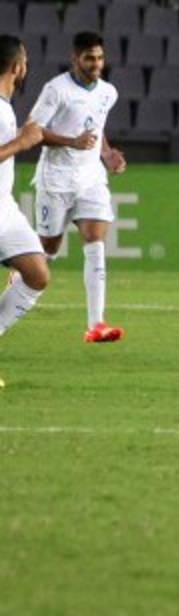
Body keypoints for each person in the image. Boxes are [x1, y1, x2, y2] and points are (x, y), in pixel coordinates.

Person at [26, 32, 127, 343]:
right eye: (89, 58)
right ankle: (22, 274)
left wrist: (106, 154)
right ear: (75, 59)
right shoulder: (56, 90)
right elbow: (33, 130)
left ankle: (96, 324)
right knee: (48, 249)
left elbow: (97, 126)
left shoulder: (108, 92)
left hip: (90, 178)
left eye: (100, 58)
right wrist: (71, 142)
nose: (96, 64)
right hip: (56, 178)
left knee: (95, 242)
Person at [0, 36, 51, 389]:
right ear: (17, 67)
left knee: (36, 273)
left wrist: (19, 136)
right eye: (26, 62)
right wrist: (22, 141)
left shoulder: (5, 107)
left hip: (4, 207)